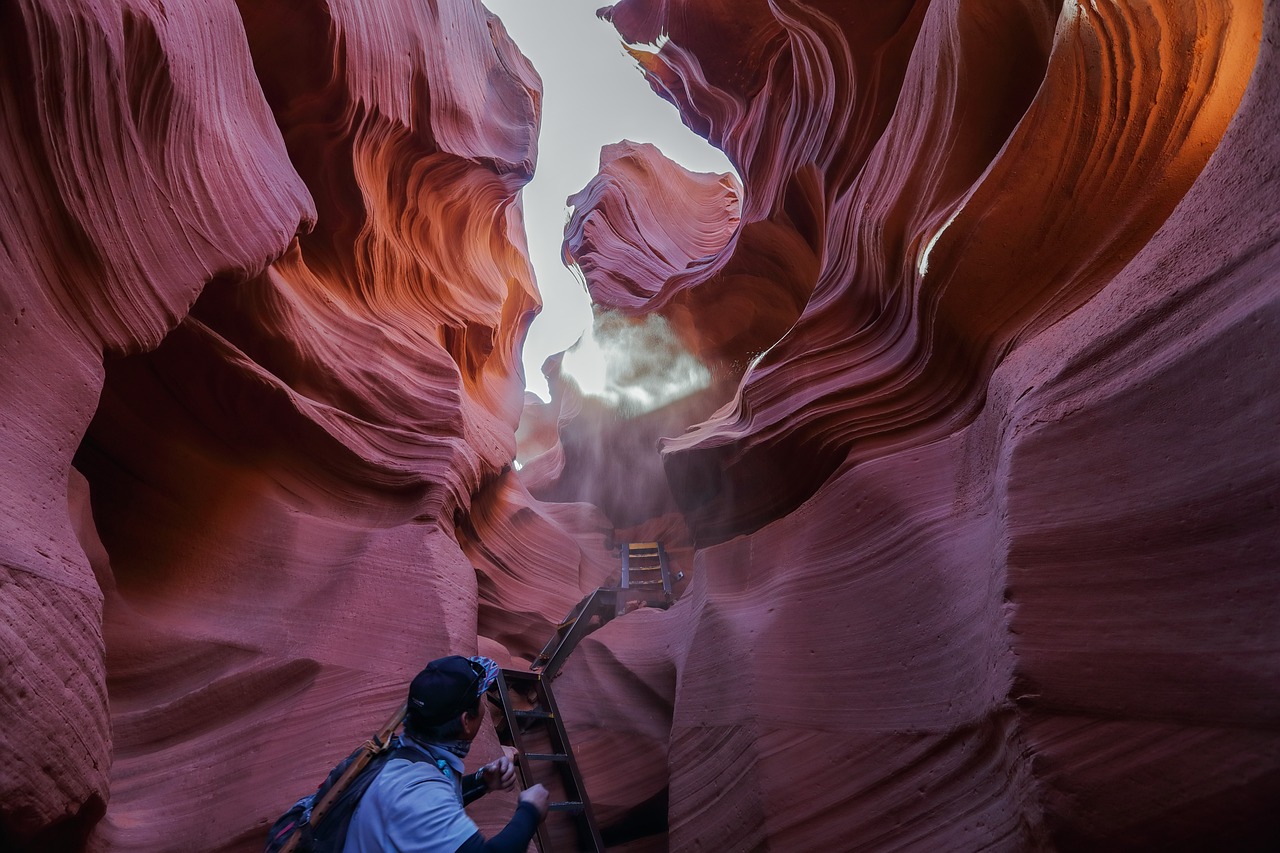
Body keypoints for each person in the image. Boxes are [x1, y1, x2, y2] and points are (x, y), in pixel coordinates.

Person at [344, 656, 550, 853]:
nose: (483, 708)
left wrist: (481, 782)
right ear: (466, 721)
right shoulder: (417, 791)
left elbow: (426, 815)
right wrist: (530, 810)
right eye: (481, 700)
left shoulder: (400, 756)